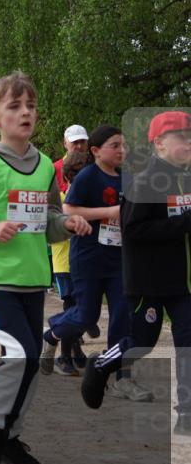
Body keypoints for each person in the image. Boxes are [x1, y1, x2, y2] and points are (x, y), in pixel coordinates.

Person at [0, 71, 91, 464]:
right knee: (21, 355)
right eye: (15, 107)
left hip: (33, 279)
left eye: (30, 106)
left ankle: (10, 437)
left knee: (27, 362)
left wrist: (68, 225)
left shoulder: (46, 165)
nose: (25, 112)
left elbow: (48, 218)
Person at [80, 111, 191, 435]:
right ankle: (101, 365)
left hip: (182, 282)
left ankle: (185, 414)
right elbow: (134, 229)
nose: (188, 142)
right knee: (141, 343)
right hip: (148, 282)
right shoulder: (144, 181)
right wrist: (185, 222)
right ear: (159, 143)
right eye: (181, 137)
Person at [41, 126, 154, 401]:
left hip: (119, 259)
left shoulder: (127, 178)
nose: (122, 151)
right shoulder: (88, 176)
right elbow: (68, 210)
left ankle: (122, 378)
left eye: (123, 145)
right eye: (115, 146)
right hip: (88, 257)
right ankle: (53, 333)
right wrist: (109, 212)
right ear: (96, 150)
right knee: (86, 316)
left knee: (122, 317)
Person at [50, 149, 90, 376]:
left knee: (83, 310)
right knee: (74, 309)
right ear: (67, 178)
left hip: (86, 264)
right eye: (76, 174)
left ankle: (73, 350)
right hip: (65, 263)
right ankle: (65, 356)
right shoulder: (63, 200)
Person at [54, 124, 89, 193]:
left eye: (82, 141)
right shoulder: (54, 168)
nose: (79, 146)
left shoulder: (95, 165)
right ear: (65, 144)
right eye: (75, 142)